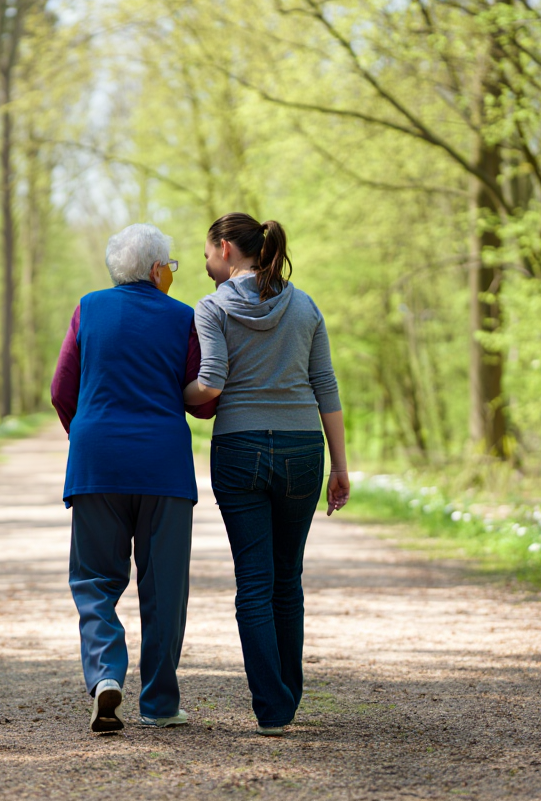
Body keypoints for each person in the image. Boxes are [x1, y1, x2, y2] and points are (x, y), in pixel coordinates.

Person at [182, 212, 350, 737]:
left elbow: (209, 384)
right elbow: (325, 384)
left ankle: (272, 708)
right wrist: (340, 466)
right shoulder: (304, 305)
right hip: (303, 448)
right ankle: (287, 695)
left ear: (227, 250)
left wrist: (164, 396)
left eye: (208, 252)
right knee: (287, 576)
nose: (205, 262)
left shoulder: (210, 307)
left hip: (239, 449)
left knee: (254, 580)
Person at [51, 223, 217, 734]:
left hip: (97, 462)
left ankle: (104, 677)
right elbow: (206, 400)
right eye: (169, 264)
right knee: (164, 588)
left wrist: (87, 434)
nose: (171, 272)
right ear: (154, 269)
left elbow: (62, 390)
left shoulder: (88, 309)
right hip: (163, 468)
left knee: (95, 580)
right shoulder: (184, 317)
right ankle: (160, 704)